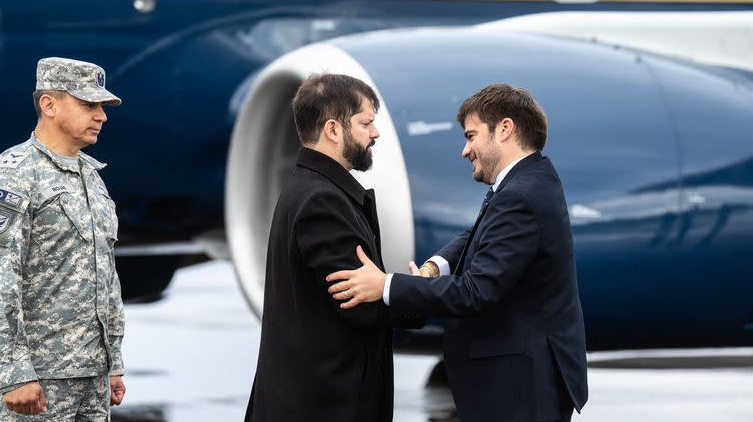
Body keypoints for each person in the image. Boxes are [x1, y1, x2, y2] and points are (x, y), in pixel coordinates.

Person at [327, 83, 588, 422]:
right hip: (522, 380)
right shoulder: (531, 180)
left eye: (471, 135)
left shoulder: (519, 195)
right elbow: (479, 236)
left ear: (505, 130)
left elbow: (476, 292)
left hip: (519, 388)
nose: (465, 150)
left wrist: (387, 286)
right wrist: (435, 267)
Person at [245, 73, 421, 422]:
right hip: (323, 406)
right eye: (366, 123)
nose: (376, 133)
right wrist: (419, 293)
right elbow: (361, 304)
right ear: (333, 130)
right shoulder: (322, 201)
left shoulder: (312, 188)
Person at [0, 57, 126, 421]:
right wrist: (14, 373)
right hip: (37, 381)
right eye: (88, 105)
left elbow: (105, 275)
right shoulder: (14, 176)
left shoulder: (92, 178)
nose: (101, 116)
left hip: (90, 378)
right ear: (49, 104)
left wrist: (112, 362)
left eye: (102, 107)